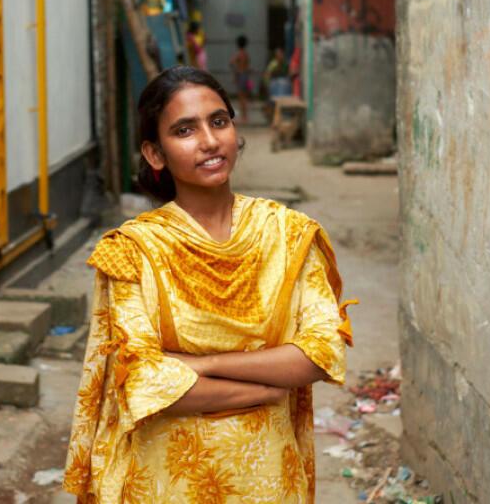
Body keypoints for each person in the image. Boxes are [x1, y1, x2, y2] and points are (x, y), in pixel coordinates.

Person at [63, 66, 356, 503]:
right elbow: (143, 383)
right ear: (155, 154)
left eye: (219, 121)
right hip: (164, 482)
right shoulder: (133, 251)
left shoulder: (289, 235)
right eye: (185, 130)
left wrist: (200, 365)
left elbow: (321, 355)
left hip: (267, 481)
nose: (209, 141)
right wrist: (271, 385)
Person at [228, 35, 251, 123]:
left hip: (241, 75)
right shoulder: (245, 53)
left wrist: (236, 69)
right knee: (243, 97)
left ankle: (244, 118)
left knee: (241, 97)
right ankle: (245, 117)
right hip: (245, 75)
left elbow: (231, 62)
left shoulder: (240, 53)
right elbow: (246, 66)